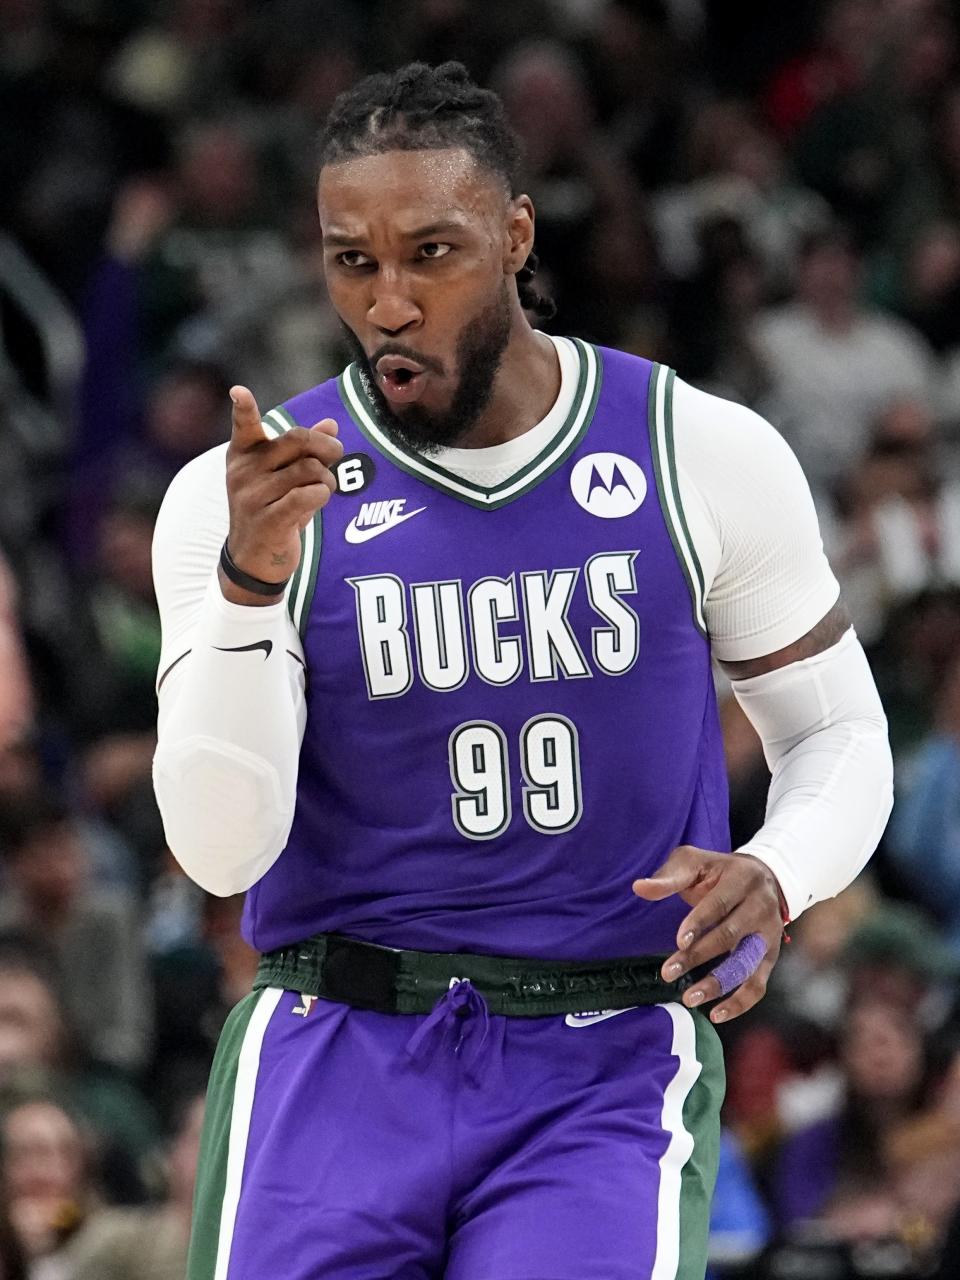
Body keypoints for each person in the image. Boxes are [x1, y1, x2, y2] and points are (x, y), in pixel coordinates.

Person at [152, 61, 893, 1280]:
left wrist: (780, 868)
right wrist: (245, 586)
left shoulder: (696, 448)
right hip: (337, 1040)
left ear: (514, 235)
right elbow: (222, 853)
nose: (388, 301)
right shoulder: (244, 497)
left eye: (430, 253)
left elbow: (841, 737)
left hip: (602, 1051)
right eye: (353, 262)